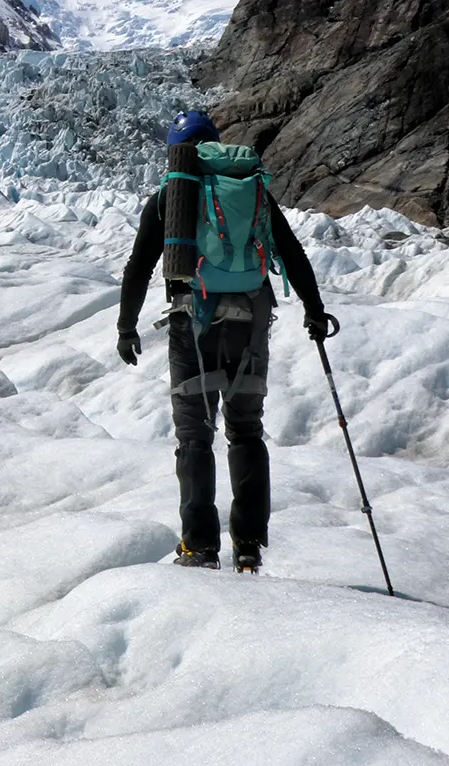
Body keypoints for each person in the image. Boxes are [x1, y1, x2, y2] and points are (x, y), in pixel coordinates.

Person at [117, 110, 328, 572]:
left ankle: (200, 546)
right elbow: (291, 252)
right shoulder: (252, 189)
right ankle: (248, 545)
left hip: (191, 324)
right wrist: (314, 310)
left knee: (195, 436)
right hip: (250, 322)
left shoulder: (170, 197)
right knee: (246, 431)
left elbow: (138, 268)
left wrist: (126, 326)